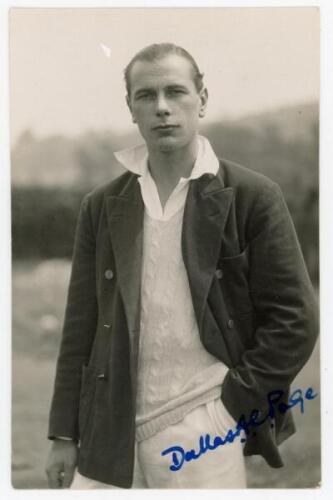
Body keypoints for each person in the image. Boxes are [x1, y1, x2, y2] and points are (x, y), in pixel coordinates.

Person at [45, 43, 318, 489]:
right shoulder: (102, 205)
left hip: (205, 423)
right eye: (146, 96)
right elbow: (81, 327)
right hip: (109, 424)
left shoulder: (252, 195)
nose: (162, 108)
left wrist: (231, 406)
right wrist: (63, 432)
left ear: (202, 99)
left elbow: (296, 320)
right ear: (130, 108)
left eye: (176, 92)